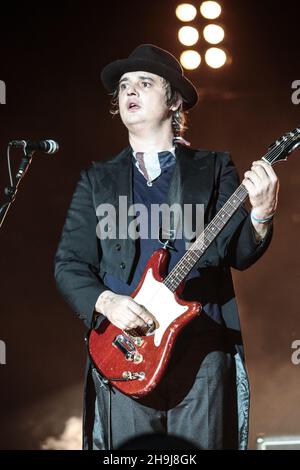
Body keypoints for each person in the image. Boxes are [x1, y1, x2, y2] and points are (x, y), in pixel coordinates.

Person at [54, 44, 279, 450]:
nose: (130, 92)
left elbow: (239, 253)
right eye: (123, 86)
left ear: (174, 100)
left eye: (144, 82)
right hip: (125, 352)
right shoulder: (97, 180)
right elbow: (69, 263)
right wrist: (107, 303)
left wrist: (261, 213)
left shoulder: (213, 168)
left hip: (201, 352)